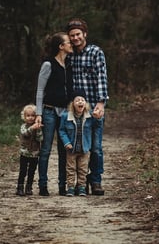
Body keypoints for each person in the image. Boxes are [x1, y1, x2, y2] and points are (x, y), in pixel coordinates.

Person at [66, 18, 108, 195]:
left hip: (93, 109)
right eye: (72, 35)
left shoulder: (95, 52)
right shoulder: (70, 55)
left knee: (96, 147)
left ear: (85, 34)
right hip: (76, 111)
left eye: (78, 34)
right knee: (78, 147)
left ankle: (96, 180)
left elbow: (101, 77)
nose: (75, 38)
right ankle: (76, 183)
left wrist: (101, 103)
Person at [35, 32, 73, 196]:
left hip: (65, 113)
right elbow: (40, 90)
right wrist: (39, 113)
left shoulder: (69, 64)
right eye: (68, 42)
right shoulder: (48, 64)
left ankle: (62, 186)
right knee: (46, 149)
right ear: (61, 46)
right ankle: (43, 185)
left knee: (64, 149)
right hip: (49, 111)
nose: (71, 44)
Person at [59, 89, 101, 197]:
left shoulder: (90, 116)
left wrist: (98, 118)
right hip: (71, 149)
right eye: (77, 100)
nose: (80, 102)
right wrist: (66, 142)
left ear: (85, 104)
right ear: (73, 103)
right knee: (70, 169)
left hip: (84, 148)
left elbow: (96, 126)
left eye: (82, 100)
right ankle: (71, 188)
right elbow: (62, 130)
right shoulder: (65, 116)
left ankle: (81, 187)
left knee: (83, 169)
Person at [16, 104, 43, 196]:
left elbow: (40, 139)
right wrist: (32, 128)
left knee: (32, 171)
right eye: (28, 116)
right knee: (23, 171)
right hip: (24, 153)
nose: (30, 118)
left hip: (34, 154)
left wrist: (38, 129)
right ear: (24, 117)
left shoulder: (38, 127)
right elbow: (25, 134)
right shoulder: (24, 126)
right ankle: (19, 187)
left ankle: (29, 187)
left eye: (33, 116)